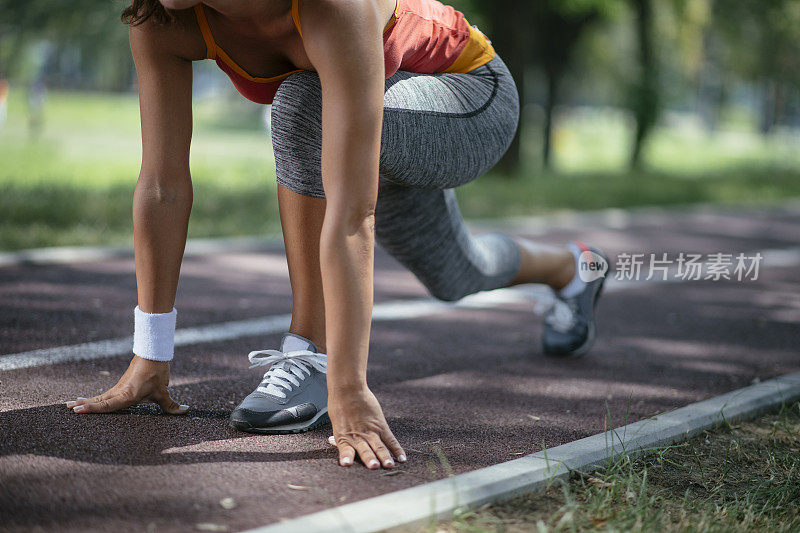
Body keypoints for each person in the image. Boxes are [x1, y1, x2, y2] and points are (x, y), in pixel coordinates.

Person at [66, 0, 608, 470]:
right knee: (454, 272)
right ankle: (572, 268)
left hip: (468, 99)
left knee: (303, 103)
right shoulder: (160, 17)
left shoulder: (333, 7)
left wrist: (346, 385)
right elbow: (162, 187)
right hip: (366, 102)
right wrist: (149, 356)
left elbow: (351, 214)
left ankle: (308, 355)